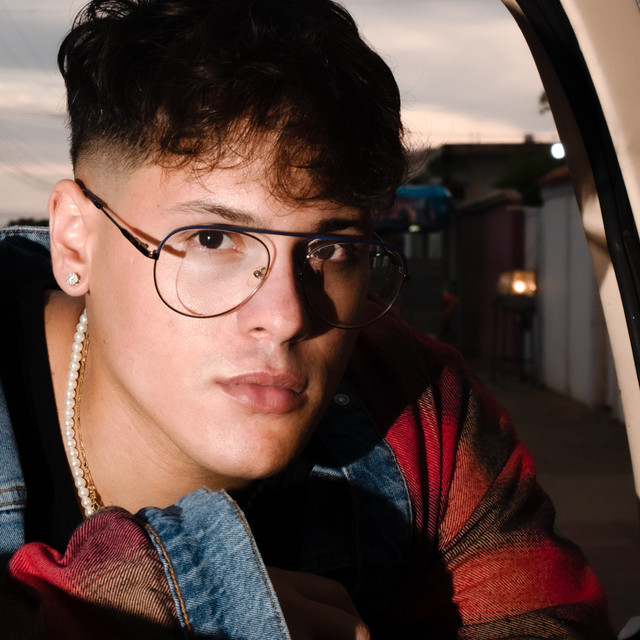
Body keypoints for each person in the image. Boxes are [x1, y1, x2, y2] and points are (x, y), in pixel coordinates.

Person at [0, 0, 617, 638]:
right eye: (213, 238)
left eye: (331, 248)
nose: (288, 317)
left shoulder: (416, 411)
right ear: (76, 242)